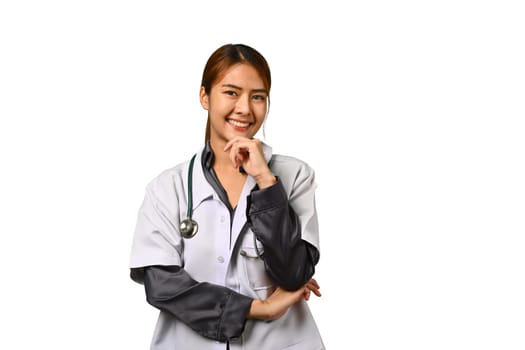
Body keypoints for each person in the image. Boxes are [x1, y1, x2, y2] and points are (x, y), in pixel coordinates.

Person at [129, 43, 325, 350]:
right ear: (204, 97)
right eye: (231, 92)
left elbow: (293, 273)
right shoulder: (168, 188)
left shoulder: (294, 176)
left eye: (258, 96)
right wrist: (258, 308)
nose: (245, 108)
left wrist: (265, 182)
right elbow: (163, 286)